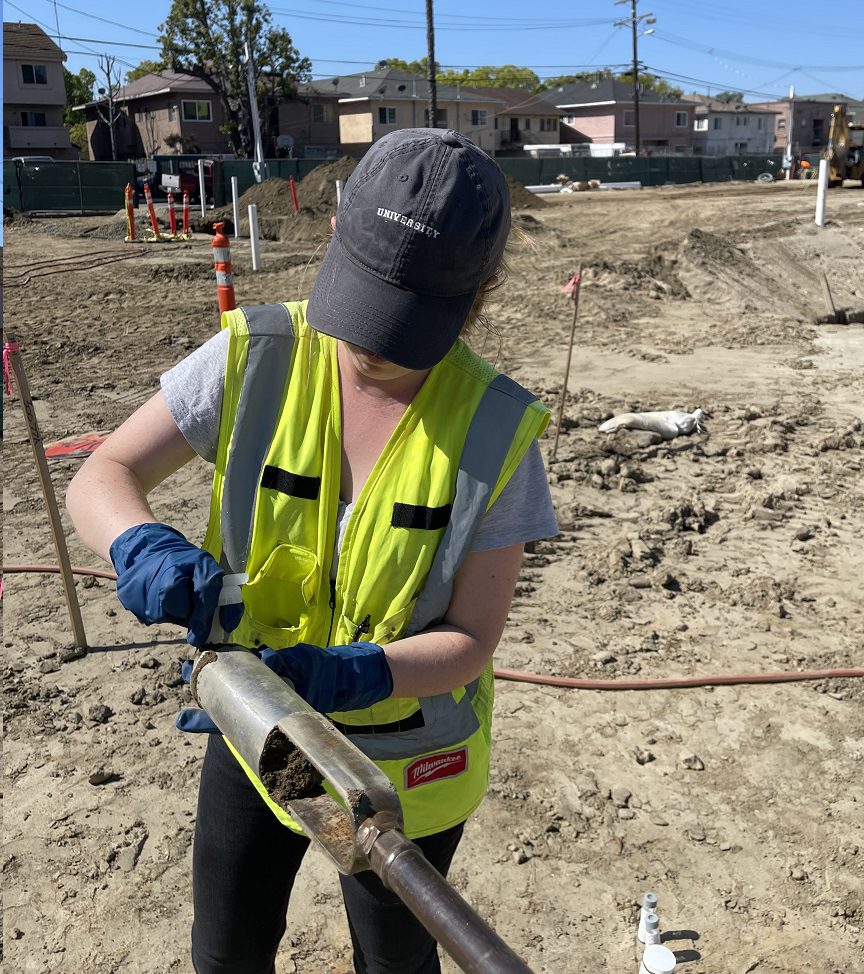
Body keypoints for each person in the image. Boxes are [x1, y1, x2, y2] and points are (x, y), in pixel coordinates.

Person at [66, 127, 557, 974]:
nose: (372, 347)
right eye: (367, 305)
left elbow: (474, 639)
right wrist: (137, 542)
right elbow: (102, 472)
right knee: (228, 948)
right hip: (268, 739)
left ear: (483, 294)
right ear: (334, 235)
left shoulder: (496, 431)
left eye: (410, 326)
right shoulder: (257, 357)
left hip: (410, 767)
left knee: (394, 957)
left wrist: (356, 674)